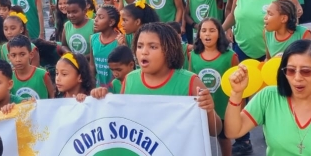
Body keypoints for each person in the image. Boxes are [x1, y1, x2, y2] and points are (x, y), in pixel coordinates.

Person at [91, 23, 219, 136]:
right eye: (139, 46)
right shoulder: (129, 80)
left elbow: (215, 131)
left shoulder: (191, 82)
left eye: (153, 47)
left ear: (169, 50)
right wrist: (103, 99)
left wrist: (208, 111)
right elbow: (122, 120)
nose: (144, 52)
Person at [222, 0, 293, 156]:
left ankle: (276, 135)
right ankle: (243, 141)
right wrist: (221, 30)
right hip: (241, 47)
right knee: (240, 91)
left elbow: (290, 15)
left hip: (271, 51)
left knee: (274, 93)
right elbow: (233, 14)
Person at [186, 18, 239, 156]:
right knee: (198, 140)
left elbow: (237, 84)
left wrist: (238, 106)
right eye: (203, 30)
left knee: (223, 138)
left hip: (222, 105)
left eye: (212, 30)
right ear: (199, 35)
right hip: (200, 105)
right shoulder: (193, 55)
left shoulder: (230, 56)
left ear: (219, 33)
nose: (207, 34)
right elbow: (190, 78)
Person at [9, 35, 54, 100]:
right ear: (9, 57)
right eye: (13, 55)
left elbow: (52, 96)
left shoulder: (42, 75)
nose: (18, 59)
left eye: (22, 54)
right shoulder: (9, 77)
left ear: (31, 55)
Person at [89, 5, 121, 88]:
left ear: (111, 22)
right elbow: (92, 65)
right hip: (98, 88)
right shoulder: (93, 38)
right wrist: (92, 85)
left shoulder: (119, 41)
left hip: (116, 90)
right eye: (96, 16)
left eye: (101, 17)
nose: (95, 20)